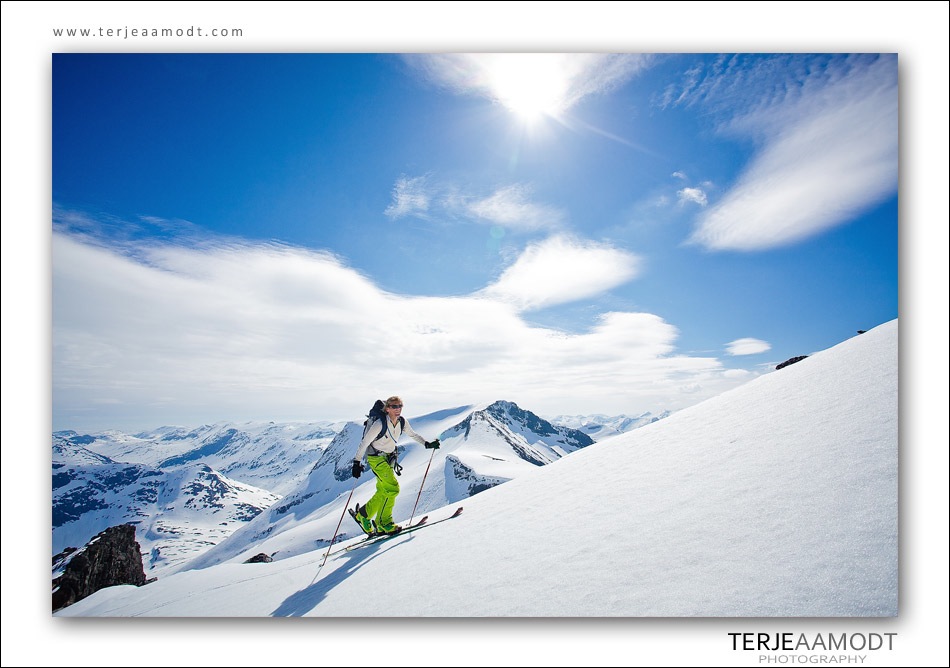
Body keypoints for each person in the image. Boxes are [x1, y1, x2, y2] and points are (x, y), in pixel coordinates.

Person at [351, 396, 440, 535]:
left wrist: (426, 444)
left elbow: (413, 435)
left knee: (383, 490)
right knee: (392, 488)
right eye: (394, 406)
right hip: (376, 458)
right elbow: (365, 442)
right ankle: (383, 523)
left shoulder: (402, 422)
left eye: (400, 406)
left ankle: (363, 515)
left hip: (389, 458)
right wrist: (356, 462)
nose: (398, 409)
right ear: (387, 409)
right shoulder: (379, 424)